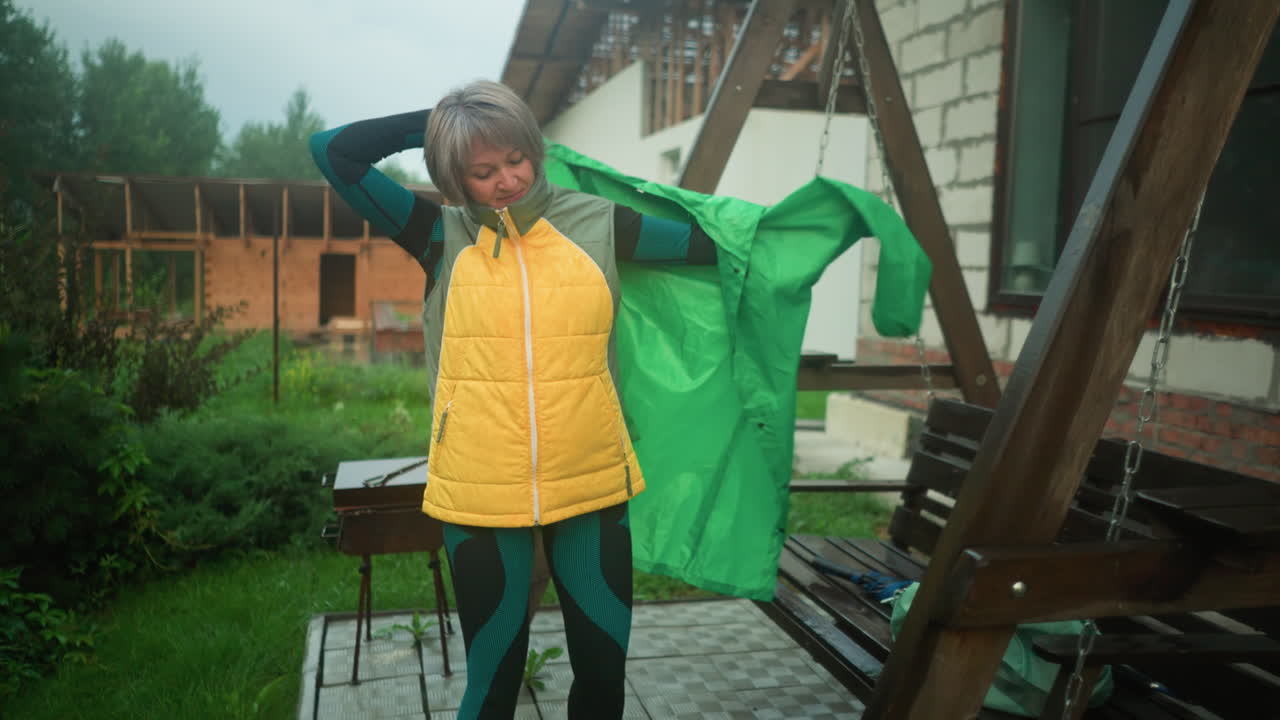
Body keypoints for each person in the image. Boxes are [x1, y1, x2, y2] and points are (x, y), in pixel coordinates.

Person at [310, 79, 717, 720]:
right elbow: (333, 151)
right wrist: (446, 122)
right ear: (456, 179)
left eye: (515, 158)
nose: (506, 180)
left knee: (604, 682)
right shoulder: (437, 236)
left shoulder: (599, 224)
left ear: (534, 149)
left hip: (591, 488)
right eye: (482, 170)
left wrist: (790, 242)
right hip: (480, 495)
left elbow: (716, 250)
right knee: (493, 685)